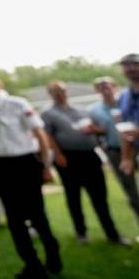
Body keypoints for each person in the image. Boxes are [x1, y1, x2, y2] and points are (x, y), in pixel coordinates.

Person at [0, 73, 61, 279]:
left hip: (25, 163)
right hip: (2, 166)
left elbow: (39, 133)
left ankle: (53, 255)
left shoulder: (17, 103)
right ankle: (32, 264)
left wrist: (46, 165)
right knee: (14, 219)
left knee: (37, 214)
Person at [41, 81, 127, 245]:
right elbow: (47, 135)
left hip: (90, 157)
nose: (60, 94)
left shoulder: (82, 110)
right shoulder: (48, 113)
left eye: (62, 90)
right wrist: (58, 155)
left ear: (67, 91)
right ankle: (81, 233)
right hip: (67, 159)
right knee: (74, 197)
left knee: (100, 198)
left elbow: (99, 129)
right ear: (50, 94)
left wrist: (94, 131)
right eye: (55, 91)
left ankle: (112, 234)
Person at [89, 77, 139, 227]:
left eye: (108, 86)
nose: (106, 89)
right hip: (116, 152)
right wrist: (98, 136)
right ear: (97, 90)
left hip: (136, 146)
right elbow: (96, 132)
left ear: (115, 87)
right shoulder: (94, 110)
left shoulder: (127, 100)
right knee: (131, 191)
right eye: (101, 87)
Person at [118, 54, 139, 176]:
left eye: (135, 64)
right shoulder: (124, 96)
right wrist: (126, 157)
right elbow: (125, 128)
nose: (131, 68)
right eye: (126, 65)